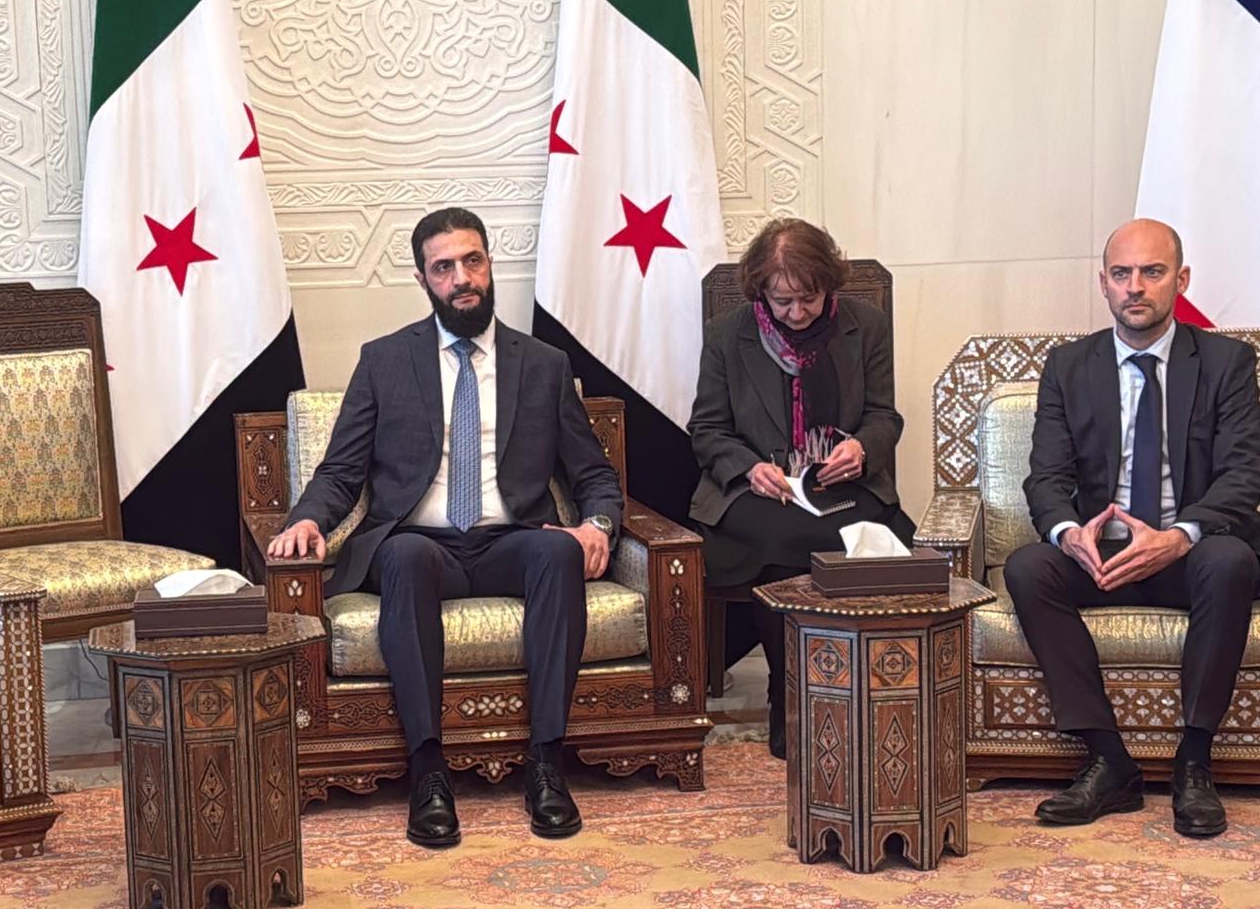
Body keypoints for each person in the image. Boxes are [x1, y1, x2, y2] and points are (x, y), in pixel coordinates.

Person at [268, 207, 623, 848]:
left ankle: (547, 763)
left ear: (489, 265)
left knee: (558, 556)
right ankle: (428, 770)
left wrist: (597, 523)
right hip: (419, 542)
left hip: (506, 539)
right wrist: (304, 521)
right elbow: (341, 472)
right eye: (444, 267)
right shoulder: (383, 362)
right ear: (423, 278)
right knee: (402, 557)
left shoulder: (543, 364)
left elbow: (592, 473)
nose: (462, 278)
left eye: (473, 261)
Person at [1003, 219, 1260, 838]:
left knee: (1230, 560)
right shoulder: (1068, 366)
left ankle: (1194, 762)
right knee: (1027, 567)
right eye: (1122, 274)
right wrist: (1070, 535)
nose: (1135, 287)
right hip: (1105, 557)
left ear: (1181, 279)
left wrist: (1179, 536)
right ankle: (1108, 760)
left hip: (1188, 554)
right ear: (1104, 284)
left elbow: (1243, 474)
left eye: (1152, 272)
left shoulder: (1226, 362)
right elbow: (1045, 477)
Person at [688, 218, 912, 759]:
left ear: (828, 285)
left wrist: (861, 447)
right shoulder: (729, 335)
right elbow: (707, 429)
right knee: (781, 539)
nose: (795, 313)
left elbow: (885, 415)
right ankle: (789, 693)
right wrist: (747, 467)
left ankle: (847, 690)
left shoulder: (867, 326)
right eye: (782, 301)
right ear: (761, 291)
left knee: (844, 534)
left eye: (807, 299)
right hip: (755, 491)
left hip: (841, 482)